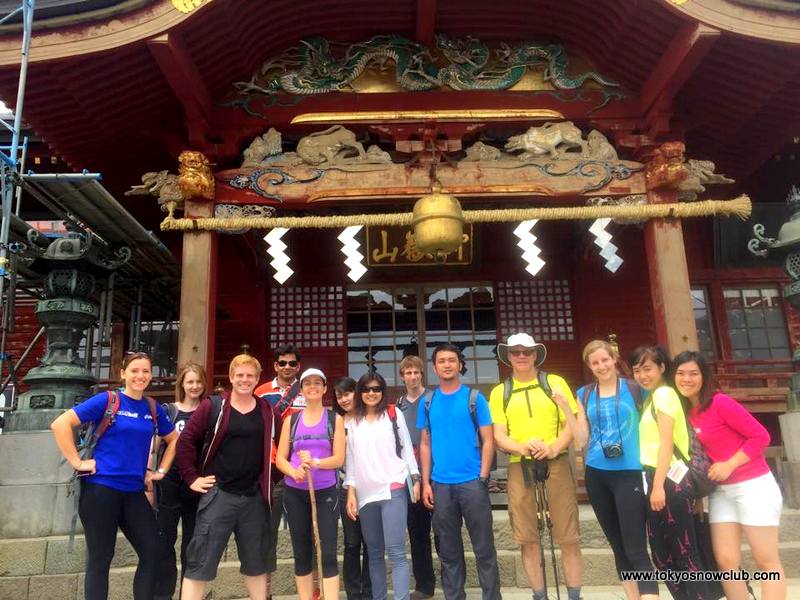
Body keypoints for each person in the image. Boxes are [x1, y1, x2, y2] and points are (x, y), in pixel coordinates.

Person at [50, 351, 178, 600]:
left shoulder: (152, 408)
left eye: (145, 371)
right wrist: (77, 461)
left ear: (150, 375)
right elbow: (61, 424)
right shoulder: (107, 400)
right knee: (101, 559)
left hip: (133, 492)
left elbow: (173, 440)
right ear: (123, 374)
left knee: (153, 550)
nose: (140, 376)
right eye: (134, 371)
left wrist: (159, 471)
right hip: (101, 489)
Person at [673, 350, 785, 600]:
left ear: (704, 377)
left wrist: (730, 464)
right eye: (680, 373)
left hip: (753, 486)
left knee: (766, 561)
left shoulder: (720, 402)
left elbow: (761, 436)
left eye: (693, 373)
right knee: (725, 561)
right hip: (720, 492)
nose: (686, 379)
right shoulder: (684, 412)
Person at [175, 354, 276, 600]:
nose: (244, 380)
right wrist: (191, 477)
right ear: (231, 377)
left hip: (253, 497)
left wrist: (272, 481)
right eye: (239, 375)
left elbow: (278, 445)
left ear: (257, 379)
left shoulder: (266, 410)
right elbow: (186, 440)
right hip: (219, 494)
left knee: (256, 563)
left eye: (250, 375)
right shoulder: (215, 406)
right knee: (200, 560)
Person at [489, 333, 582, 600]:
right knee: (527, 537)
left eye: (526, 352)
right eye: (516, 352)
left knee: (568, 535)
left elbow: (570, 422)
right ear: (508, 356)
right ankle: (538, 595)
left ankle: (574, 595)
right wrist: (522, 447)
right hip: (521, 466)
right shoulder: (500, 392)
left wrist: (552, 446)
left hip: (556, 461)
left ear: (535, 355)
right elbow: (499, 433)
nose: (521, 356)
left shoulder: (554, 382)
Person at [574, 340, 657, 600]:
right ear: (589, 366)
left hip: (630, 472)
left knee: (635, 547)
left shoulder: (636, 389)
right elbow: (580, 439)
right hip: (597, 474)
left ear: (614, 359)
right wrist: (566, 410)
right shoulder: (584, 394)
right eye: (595, 362)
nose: (601, 366)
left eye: (605, 360)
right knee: (618, 547)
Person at [418, 343, 501, 600]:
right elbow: (424, 443)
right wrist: (426, 482)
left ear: (460, 365)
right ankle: (454, 596)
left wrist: (483, 477)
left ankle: (491, 596)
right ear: (434, 368)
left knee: (484, 547)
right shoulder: (428, 401)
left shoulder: (475, 398)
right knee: (449, 550)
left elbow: (489, 440)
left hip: (472, 482)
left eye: (451, 360)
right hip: (441, 485)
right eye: (441, 361)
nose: (446, 364)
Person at [631, 345, 712, 600]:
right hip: (655, 477)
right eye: (636, 370)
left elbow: (666, 442)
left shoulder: (664, 393)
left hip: (669, 480)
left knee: (685, 551)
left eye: (647, 369)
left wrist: (657, 486)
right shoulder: (650, 398)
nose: (642, 375)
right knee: (661, 553)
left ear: (662, 368)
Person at [345, 371, 420, 600]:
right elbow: (351, 459)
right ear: (360, 392)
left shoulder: (392, 414)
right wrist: (351, 492)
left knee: (396, 551)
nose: (371, 393)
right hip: (366, 494)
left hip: (392, 487)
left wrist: (415, 479)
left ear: (382, 391)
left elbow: (407, 449)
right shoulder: (352, 421)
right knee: (375, 553)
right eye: (366, 389)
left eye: (376, 389)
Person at [276, 368, 345, 600]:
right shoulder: (291, 420)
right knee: (302, 551)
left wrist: (316, 462)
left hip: (325, 491)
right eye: (307, 384)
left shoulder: (335, 419)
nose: (312, 387)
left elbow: (339, 459)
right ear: (302, 390)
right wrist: (294, 471)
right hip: (295, 493)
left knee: (327, 552)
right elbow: (280, 459)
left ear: (325, 388)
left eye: (318, 383)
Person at [254, 343, 304, 599]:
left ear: (299, 366)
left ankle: (311, 590)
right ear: (275, 366)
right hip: (271, 469)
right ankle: (267, 592)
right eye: (282, 363)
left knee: (305, 531)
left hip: (302, 470)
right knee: (267, 533)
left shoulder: (308, 390)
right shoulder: (261, 393)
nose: (287, 367)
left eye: (292, 363)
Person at [154, 363, 207, 600]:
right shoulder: (170, 411)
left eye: (198, 382)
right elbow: (155, 444)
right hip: (171, 482)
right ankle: (164, 593)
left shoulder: (209, 411)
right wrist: (151, 472)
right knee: (165, 540)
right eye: (190, 382)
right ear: (182, 384)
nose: (194, 386)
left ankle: (189, 594)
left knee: (193, 543)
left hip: (197, 483)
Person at [396, 355, 437, 600]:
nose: (412, 377)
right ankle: (424, 585)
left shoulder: (432, 399)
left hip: (434, 466)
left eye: (416, 373)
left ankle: (454, 583)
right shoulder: (399, 404)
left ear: (422, 374)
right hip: (410, 471)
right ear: (402, 376)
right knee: (417, 530)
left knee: (443, 531)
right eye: (407, 373)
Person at [333, 376, 372, 600]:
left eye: (347, 393)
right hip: (345, 485)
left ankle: (368, 590)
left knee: (370, 541)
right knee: (351, 541)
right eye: (339, 396)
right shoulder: (336, 421)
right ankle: (353, 592)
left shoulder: (369, 418)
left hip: (370, 484)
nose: (344, 399)